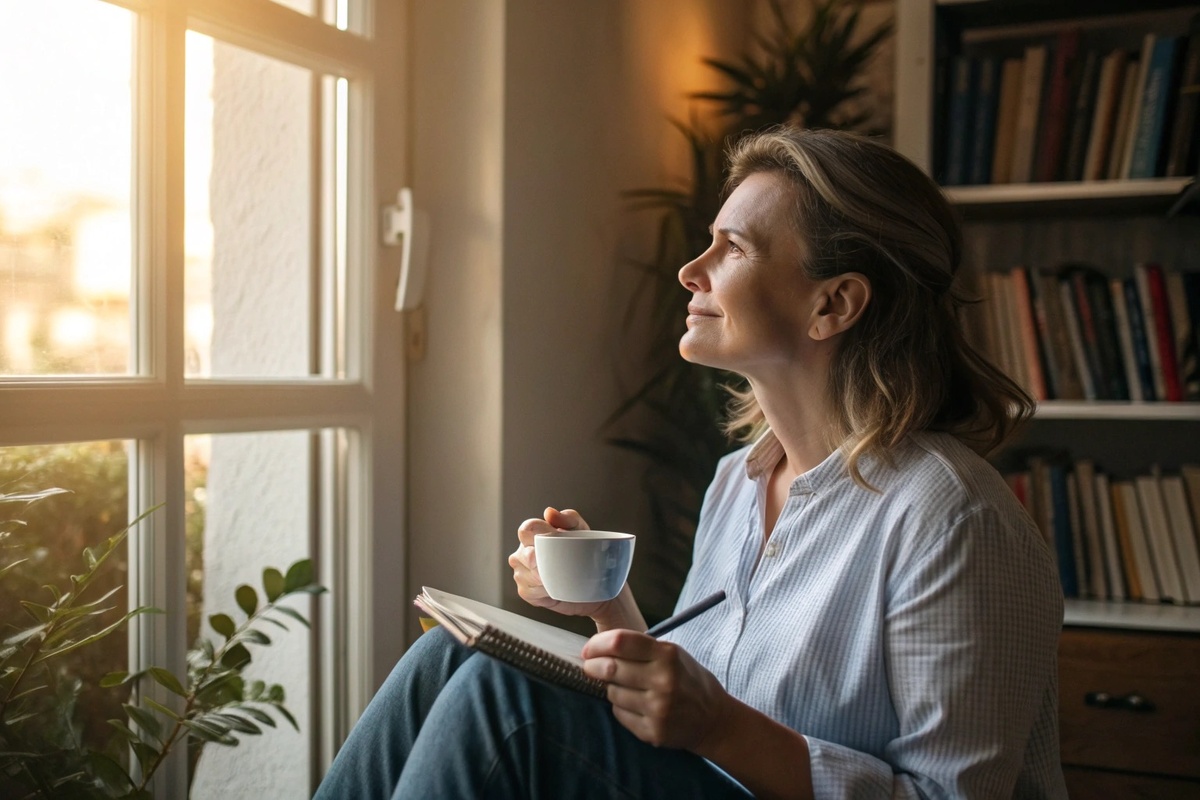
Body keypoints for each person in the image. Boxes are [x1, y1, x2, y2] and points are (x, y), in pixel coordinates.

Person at [313, 127, 1067, 799]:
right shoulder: (738, 484)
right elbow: (702, 700)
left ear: (833, 305)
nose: (690, 270)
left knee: (501, 699)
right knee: (448, 657)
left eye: (733, 248)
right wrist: (604, 609)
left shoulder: (953, 518)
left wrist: (722, 730)